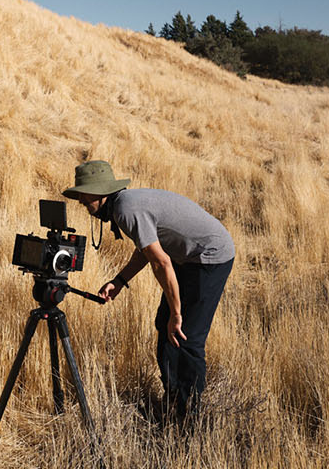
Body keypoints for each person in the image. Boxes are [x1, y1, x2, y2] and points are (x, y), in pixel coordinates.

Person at [63, 160, 236, 420]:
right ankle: (173, 400)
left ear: (100, 193)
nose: (82, 203)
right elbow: (148, 248)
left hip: (210, 256)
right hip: (187, 257)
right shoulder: (124, 205)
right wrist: (119, 280)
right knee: (163, 324)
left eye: (84, 196)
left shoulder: (125, 210)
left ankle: (189, 417)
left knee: (186, 335)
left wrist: (176, 313)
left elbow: (161, 261)